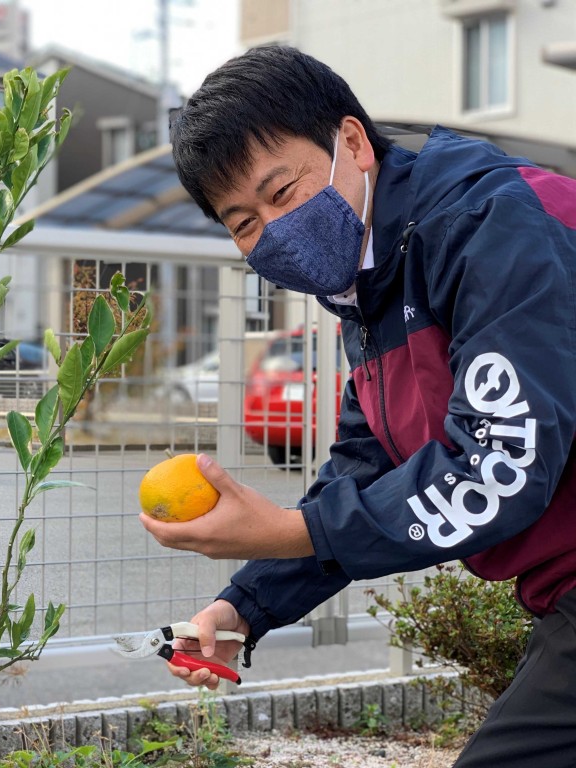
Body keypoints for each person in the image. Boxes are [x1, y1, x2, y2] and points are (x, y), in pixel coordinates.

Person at [141, 45, 576, 767]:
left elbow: (498, 468)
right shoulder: (370, 284)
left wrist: (285, 530)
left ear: (351, 142)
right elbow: (366, 468)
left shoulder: (491, 224)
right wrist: (243, 609)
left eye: (281, 192)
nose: (271, 230)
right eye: (242, 221)